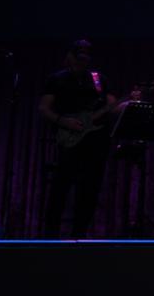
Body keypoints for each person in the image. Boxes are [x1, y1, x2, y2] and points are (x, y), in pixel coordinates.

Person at [38, 39, 116, 238]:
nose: (83, 60)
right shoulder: (57, 79)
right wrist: (62, 121)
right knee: (61, 186)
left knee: (90, 188)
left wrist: (130, 99)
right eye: (79, 56)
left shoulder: (99, 79)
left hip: (96, 139)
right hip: (69, 138)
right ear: (70, 56)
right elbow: (44, 108)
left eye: (86, 56)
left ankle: (79, 236)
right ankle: (50, 237)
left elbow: (112, 106)